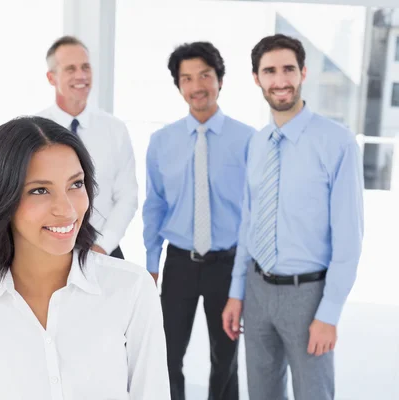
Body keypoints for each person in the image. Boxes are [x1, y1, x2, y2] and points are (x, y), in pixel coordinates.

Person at [0, 116, 170, 400]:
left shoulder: (131, 290)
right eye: (40, 190)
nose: (67, 209)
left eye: (75, 184)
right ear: (3, 199)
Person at [222, 34, 364, 400]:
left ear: (303, 72)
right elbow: (249, 223)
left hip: (309, 295)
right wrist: (237, 293)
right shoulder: (257, 142)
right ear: (257, 78)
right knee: (261, 394)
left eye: (288, 69)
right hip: (257, 289)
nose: (280, 80)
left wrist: (329, 312)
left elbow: (349, 237)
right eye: (269, 71)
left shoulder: (338, 143)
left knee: (313, 394)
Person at [143, 42, 255, 400]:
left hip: (230, 264)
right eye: (187, 78)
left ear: (219, 79)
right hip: (179, 263)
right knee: (167, 354)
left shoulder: (249, 140)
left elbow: (257, 211)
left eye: (205, 75)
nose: (197, 86)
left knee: (226, 359)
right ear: (179, 86)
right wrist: (151, 263)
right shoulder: (161, 142)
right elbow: (155, 205)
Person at [38, 35, 138, 259]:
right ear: (51, 77)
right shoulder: (33, 130)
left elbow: (127, 196)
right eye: (70, 69)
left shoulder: (115, 129)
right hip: (48, 250)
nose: (81, 76)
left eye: (85, 67)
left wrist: (102, 246)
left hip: (104, 250)